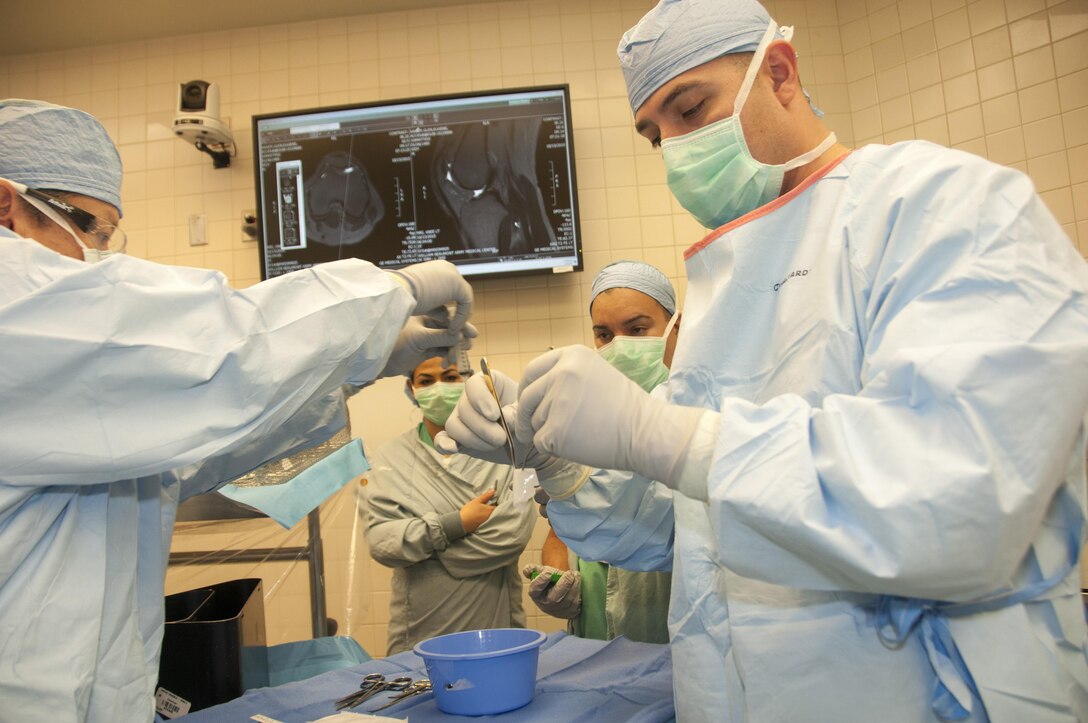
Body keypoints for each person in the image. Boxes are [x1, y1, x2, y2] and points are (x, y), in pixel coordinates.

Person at [438, 1, 1088, 720]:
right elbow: (694, 527)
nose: (677, 148)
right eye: (656, 135)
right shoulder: (719, 297)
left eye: (691, 109)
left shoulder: (945, 208)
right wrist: (557, 457)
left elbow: (962, 493)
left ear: (779, 72)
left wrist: (665, 436)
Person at [0, 99, 477, 722]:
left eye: (108, 238)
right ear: (6, 205)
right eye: (88, 229)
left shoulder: (69, 388)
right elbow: (222, 344)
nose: (98, 257)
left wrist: (358, 369)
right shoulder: (21, 308)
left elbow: (189, 457)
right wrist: (393, 290)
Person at [524, 260, 675, 645]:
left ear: (675, 328)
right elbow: (560, 528)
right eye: (604, 335)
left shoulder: (697, 414)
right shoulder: (579, 421)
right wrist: (560, 579)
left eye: (637, 329)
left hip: (666, 632)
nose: (618, 345)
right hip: (593, 632)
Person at [364, 356, 535, 654]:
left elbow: (514, 534)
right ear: (410, 388)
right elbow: (382, 543)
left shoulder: (503, 450)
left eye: (450, 377)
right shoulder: (390, 459)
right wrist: (456, 524)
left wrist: (432, 550)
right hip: (419, 633)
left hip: (495, 627)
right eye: (426, 381)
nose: (439, 388)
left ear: (468, 382)